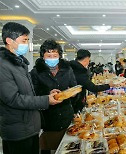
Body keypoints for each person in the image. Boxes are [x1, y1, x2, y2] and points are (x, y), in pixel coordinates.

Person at [0, 22, 61, 154]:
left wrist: (47, 94)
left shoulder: (19, 63)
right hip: (18, 130)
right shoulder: (3, 66)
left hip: (30, 127)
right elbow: (13, 99)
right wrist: (46, 100)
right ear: (9, 41)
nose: (27, 44)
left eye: (28, 40)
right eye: (24, 40)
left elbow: (28, 92)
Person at [30, 39, 77, 153]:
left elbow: (74, 86)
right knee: (47, 147)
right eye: (48, 55)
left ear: (59, 56)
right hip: (48, 118)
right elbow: (33, 93)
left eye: (54, 55)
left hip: (66, 114)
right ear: (43, 56)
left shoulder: (67, 69)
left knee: (69, 147)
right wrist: (48, 94)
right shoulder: (36, 72)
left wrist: (69, 93)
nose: (52, 58)